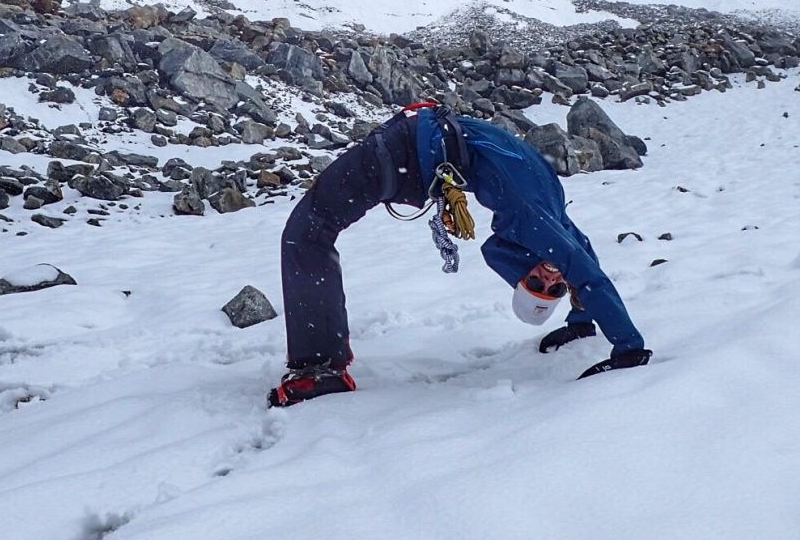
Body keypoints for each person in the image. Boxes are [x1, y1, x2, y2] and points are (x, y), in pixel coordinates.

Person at [268, 103, 650, 407]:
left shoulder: (529, 224)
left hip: (402, 155)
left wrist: (585, 320)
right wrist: (626, 346)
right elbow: (583, 267)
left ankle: (318, 370)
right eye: (552, 287)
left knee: (306, 233)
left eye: (538, 285)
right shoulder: (533, 222)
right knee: (305, 234)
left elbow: (577, 254)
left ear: (520, 274)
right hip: (404, 151)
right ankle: (320, 366)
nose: (548, 279)